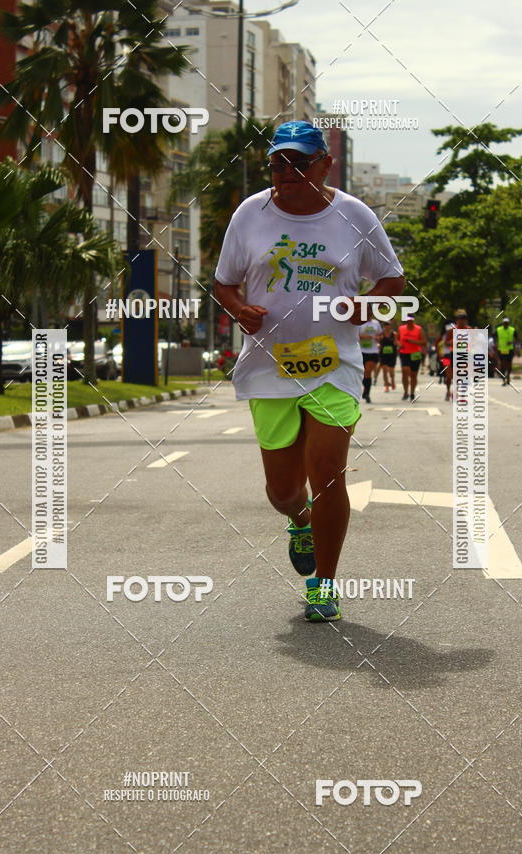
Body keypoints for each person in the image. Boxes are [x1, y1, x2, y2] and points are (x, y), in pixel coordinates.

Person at [214, 120, 405, 622]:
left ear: (325, 165)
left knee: (327, 472)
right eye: (278, 162)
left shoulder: (354, 215)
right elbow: (224, 283)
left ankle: (324, 583)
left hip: (333, 366)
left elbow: (392, 279)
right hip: (269, 367)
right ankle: (299, 520)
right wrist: (239, 309)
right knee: (282, 491)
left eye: (299, 162)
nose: (287, 171)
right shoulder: (250, 214)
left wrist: (365, 306)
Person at [397, 314, 426, 401]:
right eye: (408, 320)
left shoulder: (419, 329)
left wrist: (412, 341)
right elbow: (397, 339)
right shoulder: (401, 328)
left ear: (413, 320)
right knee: (405, 371)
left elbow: (424, 342)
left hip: (415, 354)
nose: (409, 322)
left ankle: (412, 393)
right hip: (404, 353)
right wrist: (399, 345)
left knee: (413, 375)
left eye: (411, 320)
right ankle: (406, 392)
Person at [358, 310, 382, 403]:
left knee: (368, 372)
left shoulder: (376, 323)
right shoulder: (359, 323)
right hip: (361, 351)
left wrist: (378, 338)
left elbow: (380, 335)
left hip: (373, 351)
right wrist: (364, 337)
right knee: (362, 373)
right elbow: (355, 336)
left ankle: (367, 393)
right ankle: (365, 389)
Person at [495, 316, 517, 385]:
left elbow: (517, 339)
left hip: (509, 350)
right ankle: (503, 379)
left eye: (507, 323)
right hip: (501, 350)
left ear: (508, 323)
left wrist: (512, 342)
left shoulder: (512, 330)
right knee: (502, 365)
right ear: (503, 323)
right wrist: (496, 344)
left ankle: (508, 376)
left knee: (509, 365)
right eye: (504, 323)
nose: (505, 324)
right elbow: (494, 337)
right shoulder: (498, 329)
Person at [378, 320, 398, 391]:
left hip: (392, 354)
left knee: (391, 371)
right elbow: (378, 342)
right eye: (385, 325)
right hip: (383, 355)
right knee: (384, 370)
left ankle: (392, 380)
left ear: (390, 326)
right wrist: (379, 343)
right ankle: (386, 385)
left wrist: (396, 343)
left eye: (387, 325)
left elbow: (396, 343)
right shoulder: (381, 334)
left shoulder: (394, 334)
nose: (386, 326)